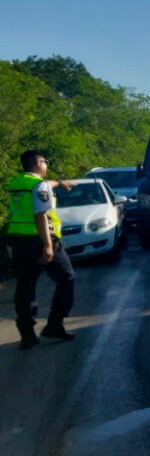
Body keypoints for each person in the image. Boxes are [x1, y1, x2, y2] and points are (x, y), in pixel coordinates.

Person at [5, 150, 76, 350]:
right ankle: (54, 324)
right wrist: (47, 246)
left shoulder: (16, 183)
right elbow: (40, 215)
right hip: (40, 240)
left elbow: (40, 188)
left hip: (19, 242)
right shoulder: (39, 185)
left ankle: (27, 335)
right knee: (67, 278)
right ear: (37, 163)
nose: (46, 164)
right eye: (45, 161)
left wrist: (60, 182)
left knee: (25, 288)